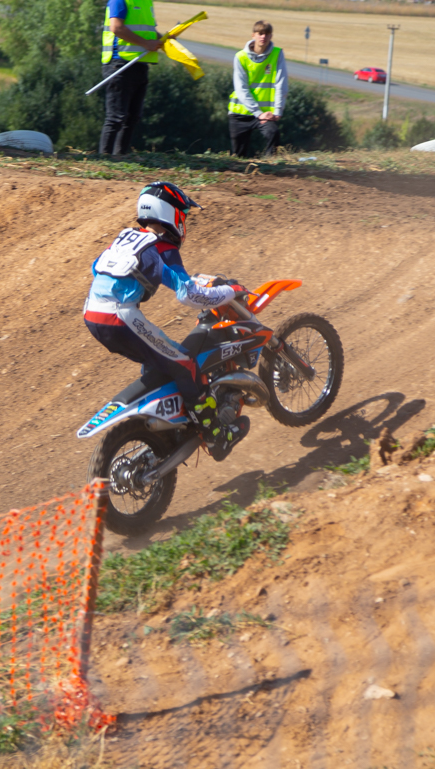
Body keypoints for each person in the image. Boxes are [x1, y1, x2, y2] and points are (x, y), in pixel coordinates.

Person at [84, 182, 250, 461]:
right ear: (170, 213)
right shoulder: (162, 246)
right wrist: (230, 291)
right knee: (186, 364)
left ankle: (168, 424)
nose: (184, 222)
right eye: (182, 215)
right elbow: (189, 294)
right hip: (118, 316)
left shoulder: (126, 237)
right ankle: (216, 436)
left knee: (159, 361)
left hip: (92, 314)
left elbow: (97, 268)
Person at [99, 0, 163, 155]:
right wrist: (146, 43)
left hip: (139, 63)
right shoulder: (120, 1)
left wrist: (163, 39)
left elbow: (147, 32)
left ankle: (120, 156)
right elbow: (117, 27)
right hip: (119, 64)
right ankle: (104, 159)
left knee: (132, 117)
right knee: (115, 118)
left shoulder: (145, 3)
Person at [228, 20, 288, 158]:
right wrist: (257, 112)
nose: (263, 37)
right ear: (253, 35)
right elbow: (241, 88)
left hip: (265, 114)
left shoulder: (277, 54)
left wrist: (278, 110)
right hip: (240, 113)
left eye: (267, 34)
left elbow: (281, 83)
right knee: (238, 155)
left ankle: (271, 165)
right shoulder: (241, 57)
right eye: (260, 33)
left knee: (273, 134)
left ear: (271, 36)